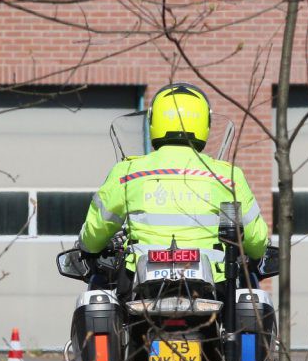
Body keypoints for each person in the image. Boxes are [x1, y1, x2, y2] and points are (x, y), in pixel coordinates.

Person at [78, 82, 269, 285]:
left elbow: (94, 236)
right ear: (205, 123)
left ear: (153, 121)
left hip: (139, 287)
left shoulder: (127, 173)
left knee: (100, 291)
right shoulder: (227, 176)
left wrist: (89, 245)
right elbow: (257, 243)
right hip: (215, 287)